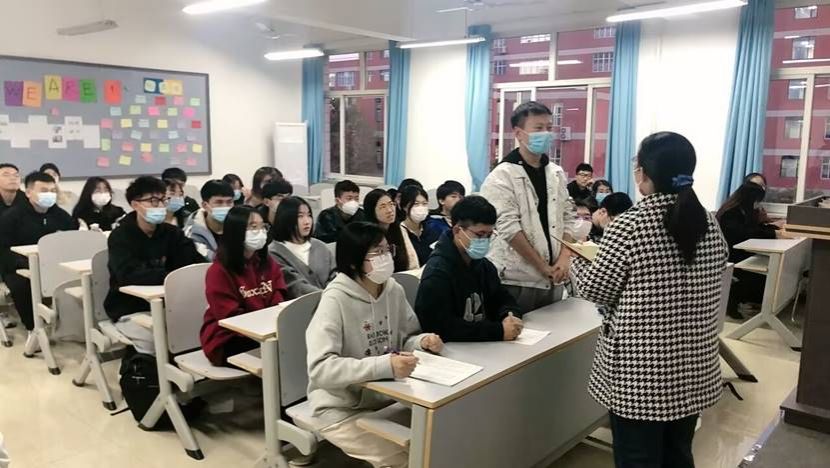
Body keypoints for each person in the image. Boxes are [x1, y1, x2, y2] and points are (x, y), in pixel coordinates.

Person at [571, 132, 729, 468]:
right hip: (692, 364)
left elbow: (597, 290)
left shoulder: (630, 225)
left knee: (638, 458)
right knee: (678, 453)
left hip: (640, 371)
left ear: (642, 173)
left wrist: (576, 262)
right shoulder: (708, 222)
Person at [305, 222, 443, 468]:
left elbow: (405, 339)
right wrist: (384, 366)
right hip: (341, 408)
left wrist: (422, 342)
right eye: (376, 252)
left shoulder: (393, 290)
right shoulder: (334, 300)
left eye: (387, 250)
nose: (386, 257)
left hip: (388, 397)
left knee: (436, 441)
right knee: (411, 458)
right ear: (353, 262)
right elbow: (321, 368)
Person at [481, 101, 580, 312]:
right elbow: (508, 228)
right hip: (516, 279)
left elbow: (568, 217)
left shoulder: (555, 173)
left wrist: (564, 258)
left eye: (549, 127)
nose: (546, 133)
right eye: (538, 128)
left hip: (555, 274)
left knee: (554, 328)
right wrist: (542, 266)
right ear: (519, 133)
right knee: (520, 328)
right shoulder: (501, 176)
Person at [104, 176, 205, 355]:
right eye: (153, 201)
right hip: (131, 308)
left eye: (163, 200)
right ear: (135, 204)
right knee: (155, 340)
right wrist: (171, 275)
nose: (160, 206)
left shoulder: (172, 233)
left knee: (199, 327)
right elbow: (127, 274)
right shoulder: (120, 236)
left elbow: (194, 263)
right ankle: (148, 369)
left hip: (170, 304)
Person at [415, 196, 524, 342]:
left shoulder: (484, 265)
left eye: (489, 235)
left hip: (486, 346)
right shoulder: (437, 272)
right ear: (457, 230)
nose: (485, 241)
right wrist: (497, 331)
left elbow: (503, 298)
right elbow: (439, 326)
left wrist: (509, 316)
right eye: (480, 234)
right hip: (453, 350)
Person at [201, 206, 287, 366]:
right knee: (282, 353)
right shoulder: (218, 271)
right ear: (236, 231)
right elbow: (231, 318)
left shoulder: (267, 262)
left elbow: (278, 296)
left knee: (294, 342)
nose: (260, 232)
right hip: (228, 338)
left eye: (263, 226)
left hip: (265, 331)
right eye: (253, 227)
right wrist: (265, 327)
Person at [0, 172, 77, 335]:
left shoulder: (60, 215)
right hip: (19, 266)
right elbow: (3, 250)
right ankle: (34, 328)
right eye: (43, 190)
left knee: (79, 279)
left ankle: (72, 323)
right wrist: (25, 263)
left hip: (54, 264)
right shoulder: (11, 217)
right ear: (28, 192)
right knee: (22, 284)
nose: (49, 194)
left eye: (52, 190)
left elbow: (73, 236)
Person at [717, 182, 780, 315]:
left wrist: (772, 228)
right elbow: (745, 233)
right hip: (731, 255)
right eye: (756, 200)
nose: (757, 204)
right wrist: (774, 233)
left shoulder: (744, 210)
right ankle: (734, 299)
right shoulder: (731, 213)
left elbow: (754, 229)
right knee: (762, 274)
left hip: (742, 251)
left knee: (771, 269)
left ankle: (745, 299)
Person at [268, 196, 336, 298]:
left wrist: (335, 295)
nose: (307, 221)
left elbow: (335, 275)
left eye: (309, 215)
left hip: (332, 301)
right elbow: (295, 286)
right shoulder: (274, 252)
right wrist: (328, 297)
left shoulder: (320, 246)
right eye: (300, 216)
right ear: (286, 219)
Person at [364, 189, 418, 272]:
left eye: (391, 204)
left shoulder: (400, 229)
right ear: (372, 211)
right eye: (383, 207)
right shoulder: (366, 235)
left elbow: (412, 263)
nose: (390, 210)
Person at [183, 179, 235, 261]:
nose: (225, 206)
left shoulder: (240, 225)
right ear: (205, 205)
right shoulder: (191, 233)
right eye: (219, 202)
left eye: (229, 202)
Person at [399, 185, 434, 265]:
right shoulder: (399, 232)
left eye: (424, 204)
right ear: (404, 206)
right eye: (416, 204)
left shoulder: (431, 229)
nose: (421, 208)